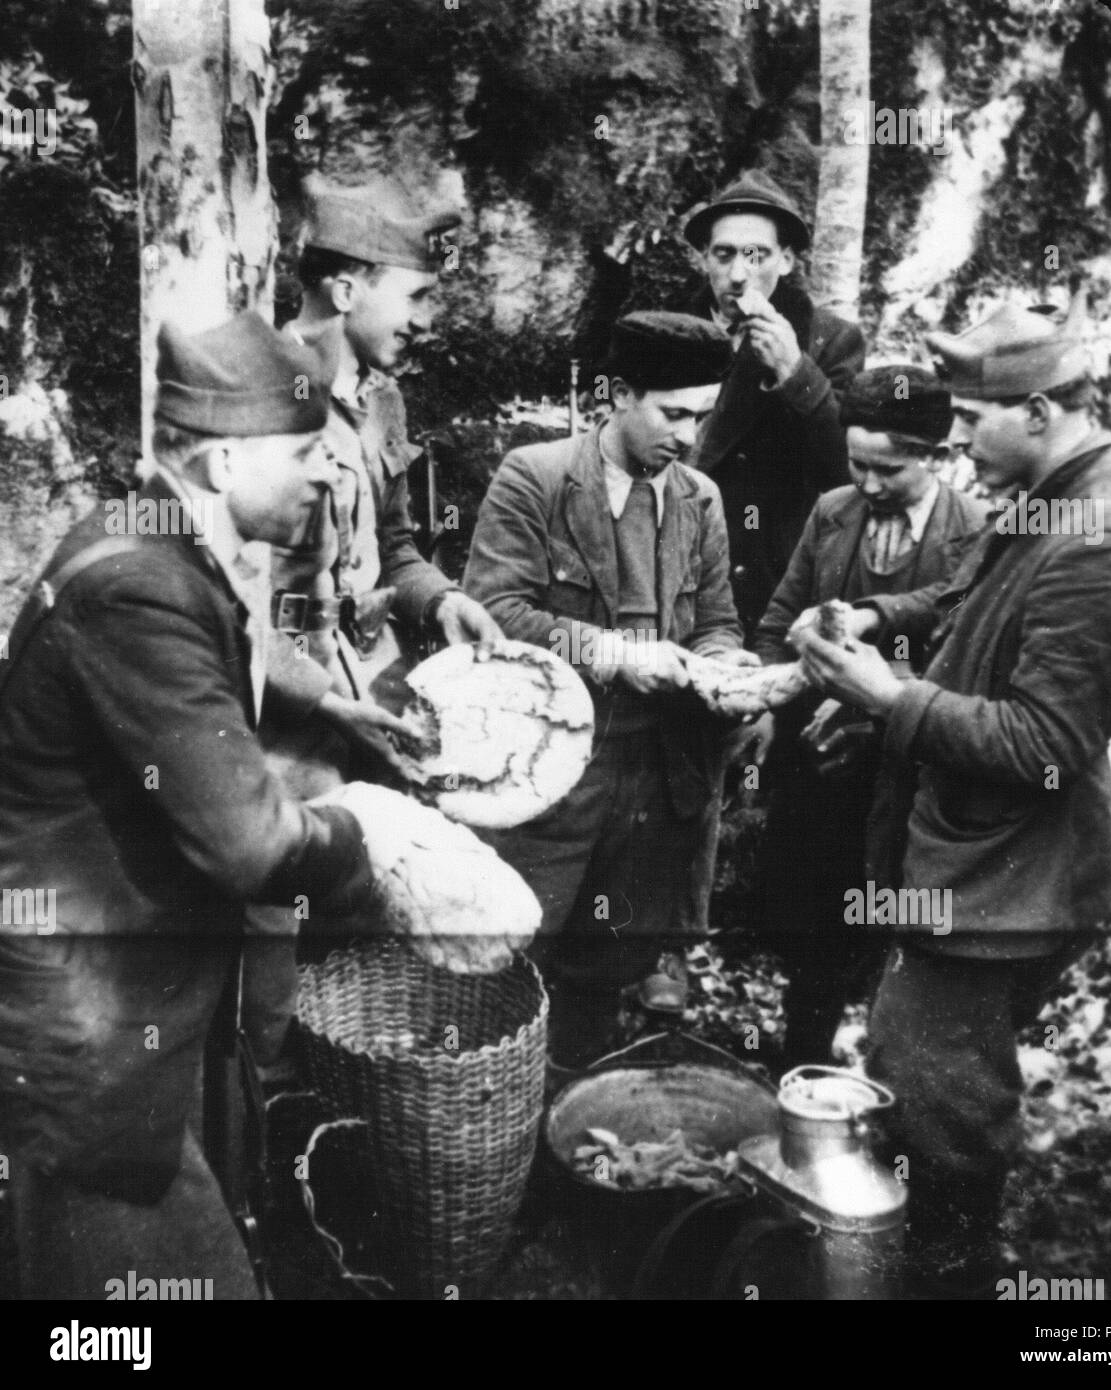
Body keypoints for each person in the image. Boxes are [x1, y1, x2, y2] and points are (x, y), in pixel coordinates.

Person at [0, 311, 384, 1300]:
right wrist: (373, 843)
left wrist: (328, 708)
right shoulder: (140, 587)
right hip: (93, 1056)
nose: (327, 474)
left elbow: (220, 678)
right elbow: (247, 845)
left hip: (132, 1015)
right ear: (220, 463)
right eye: (304, 451)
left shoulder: (158, 537)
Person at [794, 300, 1111, 1295]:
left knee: (942, 1125)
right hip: (970, 869)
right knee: (914, 1081)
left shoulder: (1105, 541)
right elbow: (969, 599)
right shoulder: (1056, 493)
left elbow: (1045, 743)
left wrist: (886, 697)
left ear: (1040, 408)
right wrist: (879, 618)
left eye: (970, 420)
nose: (953, 441)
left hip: (1000, 892)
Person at [463, 311, 753, 1065]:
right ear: (617, 395)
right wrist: (611, 653)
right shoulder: (537, 476)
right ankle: (489, 1130)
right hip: (554, 771)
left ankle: (572, 1104)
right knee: (515, 952)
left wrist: (729, 666)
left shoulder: (701, 499)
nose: (689, 434)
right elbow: (491, 613)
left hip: (657, 778)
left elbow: (716, 619)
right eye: (673, 412)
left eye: (703, 414)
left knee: (606, 964)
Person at [750, 366, 989, 1068]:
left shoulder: (978, 533)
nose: (869, 484)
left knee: (887, 916)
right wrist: (764, 700)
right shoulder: (833, 511)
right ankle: (802, 1057)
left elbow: (962, 643)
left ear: (936, 458)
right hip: (817, 762)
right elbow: (779, 612)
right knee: (810, 913)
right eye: (856, 464)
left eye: (887, 469)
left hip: (909, 769)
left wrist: (879, 706)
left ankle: (878, 1064)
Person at [267, 175, 499, 774]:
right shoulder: (252, 393)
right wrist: (314, 696)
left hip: (378, 680)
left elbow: (392, 546)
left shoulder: (384, 400)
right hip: (283, 705)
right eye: (416, 296)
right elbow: (213, 596)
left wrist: (442, 602)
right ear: (346, 290)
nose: (427, 320)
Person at [681, 170, 866, 637]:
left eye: (756, 255)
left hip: (773, 571)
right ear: (704, 258)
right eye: (723, 254)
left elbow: (849, 469)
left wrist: (796, 374)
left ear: (785, 260)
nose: (738, 275)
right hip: (676, 557)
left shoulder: (830, 340)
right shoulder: (665, 329)